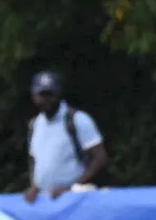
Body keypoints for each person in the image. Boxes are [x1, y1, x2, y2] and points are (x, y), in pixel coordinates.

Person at [23, 71, 107, 203]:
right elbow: (33, 159)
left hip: (75, 201)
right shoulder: (35, 125)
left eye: (50, 94)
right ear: (34, 96)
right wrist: (34, 187)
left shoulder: (77, 119)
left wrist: (72, 188)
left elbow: (100, 157)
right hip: (44, 201)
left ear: (58, 94)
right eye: (41, 95)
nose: (46, 100)